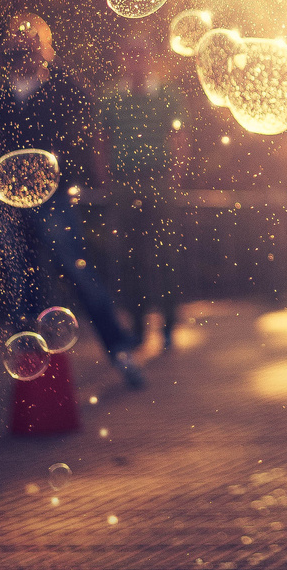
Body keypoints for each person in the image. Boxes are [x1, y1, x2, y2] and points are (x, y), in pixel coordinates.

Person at [0, 15, 143, 388]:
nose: (26, 51)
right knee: (22, 281)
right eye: (20, 44)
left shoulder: (59, 87)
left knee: (78, 271)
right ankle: (32, 375)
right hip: (9, 198)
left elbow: (87, 104)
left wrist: (49, 61)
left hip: (52, 197)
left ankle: (120, 350)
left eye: (34, 44)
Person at [97, 35, 190, 352]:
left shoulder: (168, 95)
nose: (136, 61)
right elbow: (101, 142)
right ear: (124, 58)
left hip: (158, 181)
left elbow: (180, 138)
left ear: (150, 59)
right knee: (129, 257)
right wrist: (108, 183)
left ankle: (166, 325)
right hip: (124, 184)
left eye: (142, 55)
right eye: (131, 55)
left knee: (165, 256)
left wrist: (173, 177)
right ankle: (137, 326)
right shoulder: (111, 98)